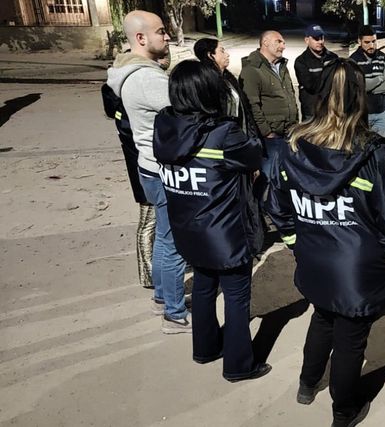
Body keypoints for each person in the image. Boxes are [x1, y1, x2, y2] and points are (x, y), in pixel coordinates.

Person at [265, 58, 385, 427]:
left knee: (323, 317)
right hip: (357, 269)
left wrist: (296, 241)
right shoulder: (374, 155)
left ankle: (307, 382)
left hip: (314, 259)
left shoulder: (292, 146)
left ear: (319, 96)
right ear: (360, 98)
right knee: (350, 337)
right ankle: (344, 410)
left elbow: (276, 203)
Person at [152, 60, 271, 382]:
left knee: (204, 287)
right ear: (209, 92)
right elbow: (254, 154)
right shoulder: (223, 133)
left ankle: (204, 349)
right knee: (235, 296)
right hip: (226, 232)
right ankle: (238, 365)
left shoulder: (164, 126)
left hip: (188, 230)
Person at [106, 10, 190, 333]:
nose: (166, 36)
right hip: (162, 170)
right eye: (160, 32)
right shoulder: (148, 79)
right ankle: (174, 313)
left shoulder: (130, 72)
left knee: (163, 239)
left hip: (148, 166)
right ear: (140, 38)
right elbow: (185, 110)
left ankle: (160, 297)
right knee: (173, 243)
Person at [101, 81, 155, 291]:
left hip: (142, 172)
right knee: (148, 221)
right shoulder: (128, 115)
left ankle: (150, 270)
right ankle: (148, 272)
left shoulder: (122, 110)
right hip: (144, 174)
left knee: (150, 222)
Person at [239, 30, 298, 177]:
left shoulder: (281, 66)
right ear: (265, 42)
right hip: (270, 138)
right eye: (278, 41)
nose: (283, 46)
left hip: (288, 133)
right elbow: (252, 106)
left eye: (283, 42)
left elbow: (290, 94)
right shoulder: (252, 70)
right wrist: (267, 132)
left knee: (285, 176)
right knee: (270, 176)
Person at [193, 37, 256, 136]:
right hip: (222, 140)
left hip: (239, 136)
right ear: (210, 55)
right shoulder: (204, 82)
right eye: (222, 51)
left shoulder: (228, 78)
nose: (227, 54)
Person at [350, 25, 385, 137]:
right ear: (359, 41)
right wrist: (378, 79)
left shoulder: (383, 58)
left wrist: (367, 87)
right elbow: (357, 87)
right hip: (360, 115)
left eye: (374, 41)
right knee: (361, 151)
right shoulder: (352, 61)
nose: (371, 45)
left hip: (381, 114)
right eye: (367, 42)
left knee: (380, 149)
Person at [294, 24, 339, 121]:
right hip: (311, 112)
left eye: (322, 38)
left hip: (331, 111)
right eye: (316, 38)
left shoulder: (333, 58)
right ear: (306, 40)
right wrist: (328, 74)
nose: (320, 41)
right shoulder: (301, 62)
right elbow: (312, 86)